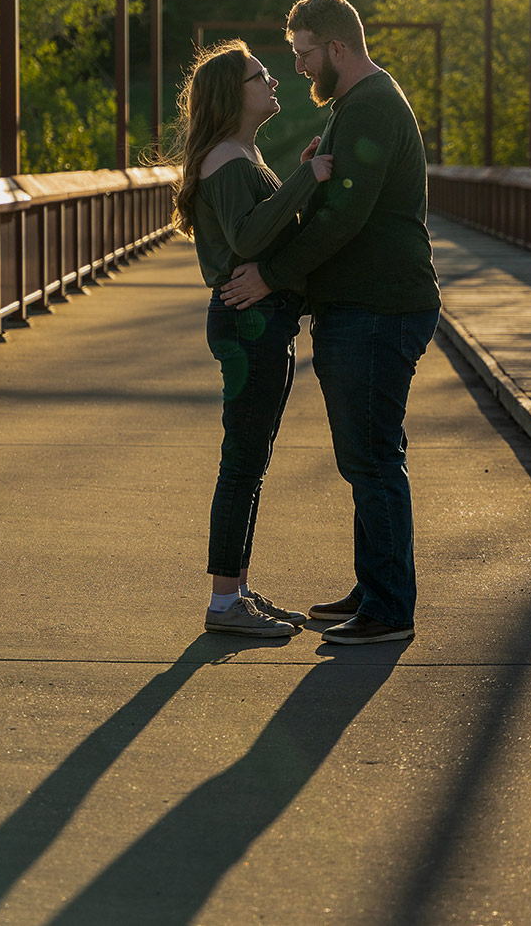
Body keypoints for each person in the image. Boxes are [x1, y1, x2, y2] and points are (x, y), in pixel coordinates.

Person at [220, 0, 441, 645]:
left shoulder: (370, 106)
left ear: (337, 48)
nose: (298, 67)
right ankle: (375, 584)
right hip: (368, 306)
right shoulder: (359, 104)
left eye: (304, 53)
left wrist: (272, 274)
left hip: (380, 308)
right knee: (366, 456)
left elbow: (344, 217)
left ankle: (389, 607)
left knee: (371, 458)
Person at [172, 39, 333, 639]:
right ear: (230, 95)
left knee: (250, 462)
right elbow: (248, 238)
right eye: (260, 76)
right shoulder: (227, 159)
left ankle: (235, 590)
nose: (274, 82)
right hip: (250, 325)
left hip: (259, 322)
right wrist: (305, 178)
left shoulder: (239, 154)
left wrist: (299, 178)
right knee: (242, 463)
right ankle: (223, 601)